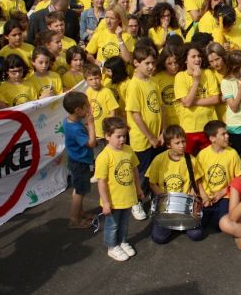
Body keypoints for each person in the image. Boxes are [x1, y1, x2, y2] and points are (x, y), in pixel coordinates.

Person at [94, 116, 143, 262]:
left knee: (125, 223)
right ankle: (112, 246)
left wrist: (138, 188)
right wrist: (106, 202)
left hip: (128, 197)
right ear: (107, 136)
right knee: (113, 225)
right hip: (113, 200)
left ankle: (122, 241)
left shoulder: (128, 150)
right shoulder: (104, 157)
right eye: (118, 136)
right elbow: (101, 182)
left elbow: (134, 170)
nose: (122, 139)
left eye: (124, 136)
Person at [125, 45, 165, 221]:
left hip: (157, 138)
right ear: (136, 63)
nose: (151, 66)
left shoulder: (153, 82)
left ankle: (155, 199)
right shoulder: (134, 86)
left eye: (153, 63)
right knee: (141, 173)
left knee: (155, 172)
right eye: (147, 63)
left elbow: (161, 108)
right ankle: (136, 201)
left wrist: (162, 132)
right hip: (143, 140)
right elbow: (136, 115)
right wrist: (150, 137)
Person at [147, 124, 205, 244]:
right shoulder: (159, 159)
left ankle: (178, 224)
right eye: (177, 143)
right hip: (166, 205)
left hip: (185, 205)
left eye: (183, 141)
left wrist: (193, 198)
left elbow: (195, 182)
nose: (182, 145)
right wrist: (164, 198)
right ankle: (173, 225)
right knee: (159, 238)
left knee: (197, 235)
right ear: (168, 145)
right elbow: (152, 183)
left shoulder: (191, 160)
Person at [195, 120, 241, 233]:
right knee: (197, 228)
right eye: (223, 134)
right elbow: (198, 178)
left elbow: (239, 178)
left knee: (219, 225)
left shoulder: (233, 153)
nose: (227, 136)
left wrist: (223, 192)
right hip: (207, 196)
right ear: (212, 138)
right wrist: (204, 196)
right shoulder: (202, 155)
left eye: (227, 133)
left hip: (225, 195)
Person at [63, 91, 96, 229]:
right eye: (87, 106)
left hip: (75, 160)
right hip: (79, 162)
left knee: (79, 188)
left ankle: (79, 212)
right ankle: (74, 219)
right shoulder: (75, 128)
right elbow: (91, 143)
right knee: (80, 191)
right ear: (78, 110)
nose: (89, 108)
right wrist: (91, 125)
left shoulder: (68, 120)